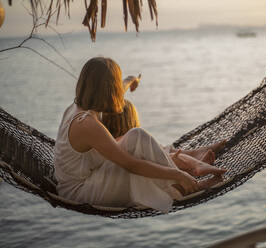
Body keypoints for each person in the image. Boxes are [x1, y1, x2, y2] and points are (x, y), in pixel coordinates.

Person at [54, 57, 226, 213]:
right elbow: (132, 165)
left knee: (136, 137)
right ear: (107, 90)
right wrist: (177, 174)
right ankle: (185, 184)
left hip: (92, 175)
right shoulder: (87, 124)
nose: (117, 90)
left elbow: (119, 90)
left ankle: (190, 164)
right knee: (137, 153)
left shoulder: (80, 107)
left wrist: (131, 80)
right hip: (80, 191)